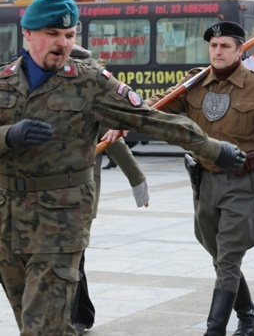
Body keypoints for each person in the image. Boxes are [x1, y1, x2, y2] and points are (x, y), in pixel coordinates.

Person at [0, 0, 245, 336]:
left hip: (61, 220)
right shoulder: (4, 81)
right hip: (8, 223)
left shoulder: (89, 83)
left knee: (41, 328)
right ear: (28, 34)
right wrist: (8, 136)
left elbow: (150, 118)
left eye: (69, 36)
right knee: (37, 321)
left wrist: (212, 148)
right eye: (53, 34)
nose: (62, 43)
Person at [140, 21, 254, 336]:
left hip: (240, 183)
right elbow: (159, 107)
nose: (218, 51)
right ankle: (248, 320)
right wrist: (127, 117)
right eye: (213, 46)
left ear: (240, 50)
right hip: (203, 182)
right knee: (222, 260)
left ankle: (215, 329)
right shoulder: (194, 83)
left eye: (225, 46)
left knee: (229, 257)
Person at [67, 45, 151, 335]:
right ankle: (80, 313)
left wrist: (137, 180)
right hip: (47, 196)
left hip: (81, 196)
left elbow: (113, 141)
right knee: (68, 257)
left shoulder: (92, 98)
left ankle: (78, 315)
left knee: (72, 256)